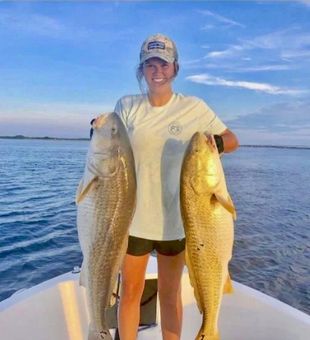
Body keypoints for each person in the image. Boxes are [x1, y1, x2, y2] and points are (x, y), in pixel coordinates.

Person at [94, 33, 239, 340]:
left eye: (164, 63)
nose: (157, 70)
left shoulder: (194, 107)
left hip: (178, 221)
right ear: (141, 70)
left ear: (175, 68)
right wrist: (96, 130)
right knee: (130, 292)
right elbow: (112, 140)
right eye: (150, 64)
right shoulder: (128, 106)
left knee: (170, 296)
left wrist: (214, 144)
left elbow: (232, 139)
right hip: (133, 220)